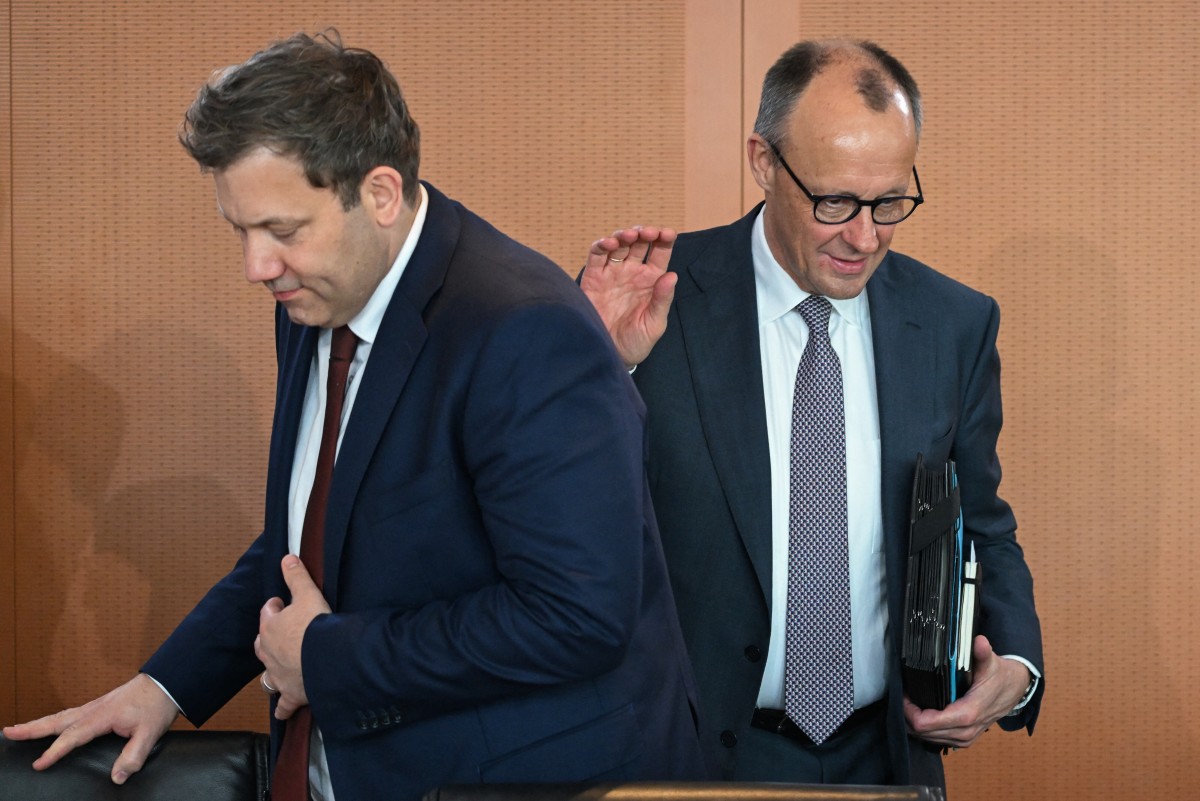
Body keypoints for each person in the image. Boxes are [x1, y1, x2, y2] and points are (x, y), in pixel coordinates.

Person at [3, 31, 706, 801]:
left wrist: (328, 658)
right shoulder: (313, 295)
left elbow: (576, 616)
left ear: (378, 193)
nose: (255, 267)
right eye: (240, 230)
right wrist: (162, 687)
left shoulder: (525, 328)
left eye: (282, 230)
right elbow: (311, 535)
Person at [581, 39, 1043, 791]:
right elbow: (567, 521)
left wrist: (1016, 666)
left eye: (891, 201)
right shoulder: (648, 304)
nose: (864, 237)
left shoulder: (953, 323)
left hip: (886, 754)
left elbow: (981, 518)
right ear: (764, 161)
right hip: (689, 755)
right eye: (834, 202)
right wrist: (606, 366)